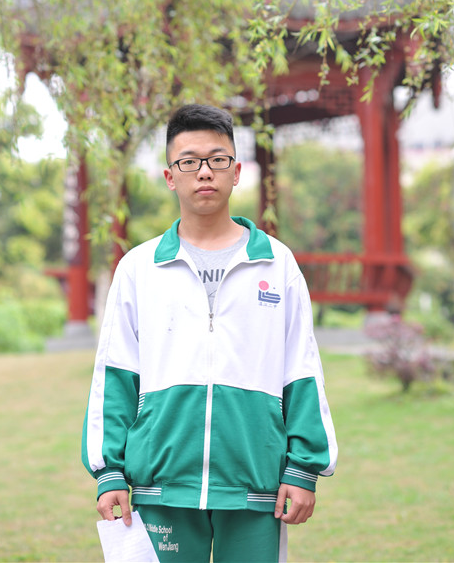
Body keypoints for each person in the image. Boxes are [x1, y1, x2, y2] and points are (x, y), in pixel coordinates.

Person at [82, 104, 338, 563]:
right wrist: (109, 471)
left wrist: (302, 469)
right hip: (161, 484)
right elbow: (116, 374)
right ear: (169, 176)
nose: (204, 172)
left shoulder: (276, 264)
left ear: (236, 172)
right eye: (189, 161)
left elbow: (301, 370)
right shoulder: (139, 268)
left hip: (255, 484)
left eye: (217, 160)